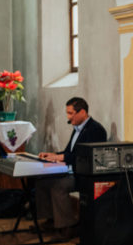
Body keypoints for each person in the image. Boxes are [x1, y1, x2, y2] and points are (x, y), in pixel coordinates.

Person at [36, 97, 107, 237]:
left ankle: (67, 226)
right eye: (67, 113)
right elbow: (69, 152)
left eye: (70, 113)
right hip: (72, 171)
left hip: (84, 175)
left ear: (83, 112)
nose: (68, 117)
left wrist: (61, 158)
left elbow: (86, 157)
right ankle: (52, 220)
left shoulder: (95, 130)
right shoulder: (77, 129)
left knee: (58, 186)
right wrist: (54, 155)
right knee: (42, 182)